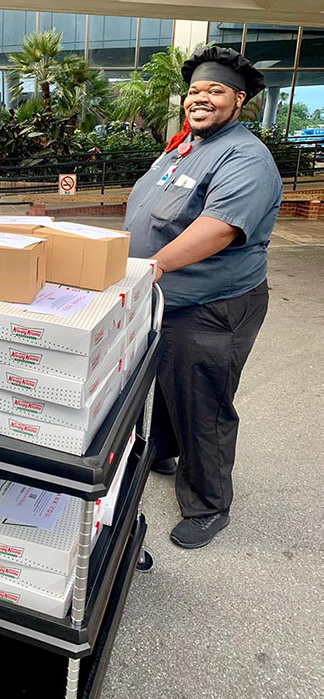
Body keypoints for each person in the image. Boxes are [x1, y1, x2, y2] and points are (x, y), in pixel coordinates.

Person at [123, 45, 283, 549]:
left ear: (239, 100)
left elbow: (218, 228)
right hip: (165, 297)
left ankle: (208, 504)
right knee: (168, 382)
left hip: (214, 305)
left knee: (203, 401)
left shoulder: (245, 157)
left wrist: (152, 265)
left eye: (215, 90)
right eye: (194, 91)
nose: (201, 99)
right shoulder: (183, 148)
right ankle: (164, 453)